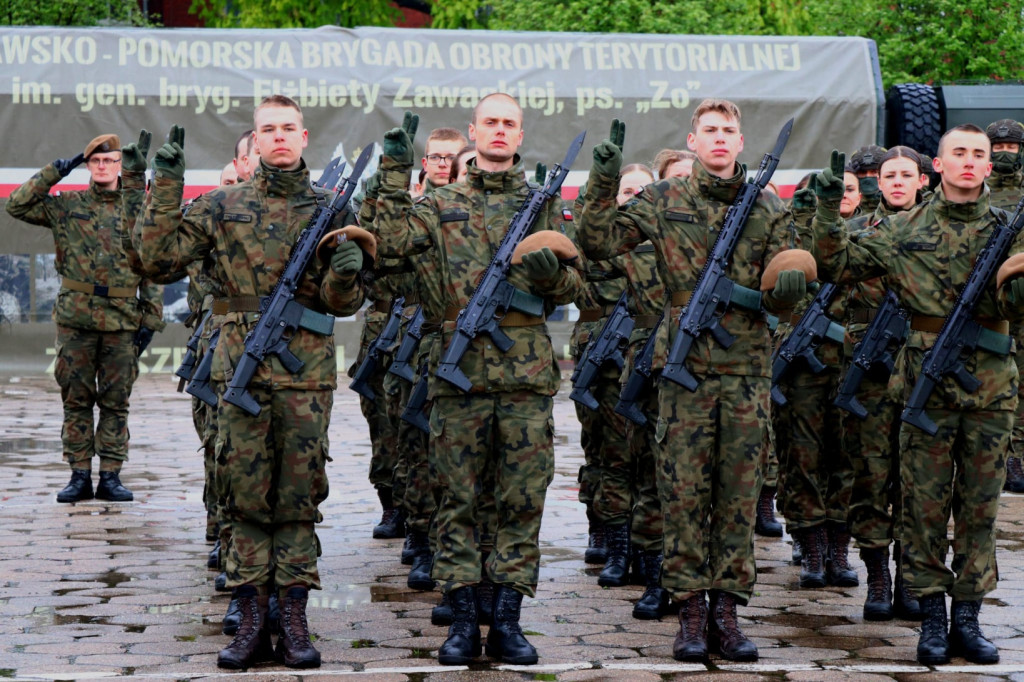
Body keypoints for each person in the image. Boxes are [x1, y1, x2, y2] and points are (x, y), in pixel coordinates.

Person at [132, 95, 367, 670]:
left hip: (306, 376)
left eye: (289, 128)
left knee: (299, 497)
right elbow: (155, 259)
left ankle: (293, 615)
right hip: (239, 370)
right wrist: (165, 184)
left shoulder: (334, 209)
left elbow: (349, 301)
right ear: (254, 141)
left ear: (304, 136)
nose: (280, 137)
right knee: (242, 496)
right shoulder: (221, 205)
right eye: (269, 129)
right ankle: (249, 616)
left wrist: (343, 279)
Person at [579, 100, 813, 663]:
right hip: (683, 372)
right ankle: (688, 612)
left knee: (736, 499)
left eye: (728, 131)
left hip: (745, 372)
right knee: (682, 495)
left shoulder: (765, 207)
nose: (719, 139)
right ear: (692, 139)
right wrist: (604, 178)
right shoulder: (663, 199)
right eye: (709, 130)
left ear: (739, 141)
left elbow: (792, 276)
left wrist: (786, 288)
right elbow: (597, 240)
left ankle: (727, 613)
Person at [374, 93, 583, 666]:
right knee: (457, 500)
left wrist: (550, 280)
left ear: (519, 136)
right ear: (473, 132)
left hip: (523, 376)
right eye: (489, 122)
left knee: (521, 500)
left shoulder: (543, 205)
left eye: (508, 124)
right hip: (457, 374)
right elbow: (387, 248)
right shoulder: (439, 203)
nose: (498, 131)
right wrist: (393, 176)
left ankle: (508, 621)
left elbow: (576, 287)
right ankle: (463, 620)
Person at [810, 125, 1024, 665]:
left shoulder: (1010, 226)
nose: (972, 162)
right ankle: (931, 616)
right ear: (939, 163)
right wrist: (824, 213)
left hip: (991, 386)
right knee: (924, 508)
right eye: (961, 153)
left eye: (979, 154)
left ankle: (968, 618)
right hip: (925, 383)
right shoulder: (903, 227)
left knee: (978, 509)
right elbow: (837, 266)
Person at [5, 132, 165, 503]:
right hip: (76, 321)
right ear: (88, 166)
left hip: (123, 321)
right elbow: (17, 205)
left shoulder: (139, 209)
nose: (103, 167)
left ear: (121, 166)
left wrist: (150, 322)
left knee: (115, 401)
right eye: (95, 161)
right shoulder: (67, 205)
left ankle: (110, 475)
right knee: (76, 400)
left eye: (110, 161)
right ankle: (79, 475)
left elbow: (153, 269)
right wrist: (54, 172)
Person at [841, 146, 927, 621]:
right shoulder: (858, 232)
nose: (896, 182)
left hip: (921, 365)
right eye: (888, 175)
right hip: (869, 367)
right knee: (872, 475)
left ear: (922, 181)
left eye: (905, 175)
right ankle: (878, 577)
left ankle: (913, 578)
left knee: (920, 479)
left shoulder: (939, 232)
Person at [985, 119, 1024, 494]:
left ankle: (1018, 457)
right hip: (988, 299)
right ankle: (1006, 455)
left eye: (1012, 149)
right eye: (999, 149)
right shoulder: (976, 192)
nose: (1005, 154)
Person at [850, 144, 886, 213]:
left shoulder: (895, 203)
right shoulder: (846, 204)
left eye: (874, 172)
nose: (868, 176)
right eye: (862, 172)